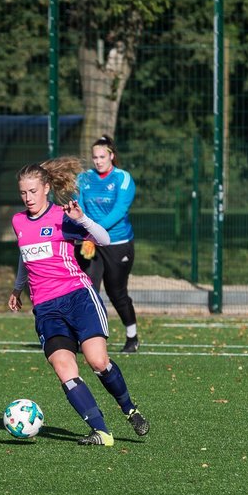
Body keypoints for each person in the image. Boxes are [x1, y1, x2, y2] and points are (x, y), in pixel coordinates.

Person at [8, 156, 150, 446]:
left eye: (33, 191)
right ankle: (102, 432)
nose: (28, 198)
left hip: (78, 297)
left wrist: (82, 219)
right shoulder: (19, 221)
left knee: (98, 361)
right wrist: (17, 288)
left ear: (46, 188)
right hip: (46, 308)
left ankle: (129, 409)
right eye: (23, 192)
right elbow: (25, 255)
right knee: (64, 369)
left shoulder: (62, 216)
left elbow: (104, 239)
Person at [75, 135, 142, 353]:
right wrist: (87, 233)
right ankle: (88, 338)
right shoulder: (84, 178)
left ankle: (132, 336)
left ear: (111, 156)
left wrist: (94, 230)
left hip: (117, 244)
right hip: (91, 244)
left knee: (116, 292)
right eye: (94, 157)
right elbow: (81, 207)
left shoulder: (123, 178)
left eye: (102, 156)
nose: (98, 161)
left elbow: (119, 211)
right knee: (88, 290)